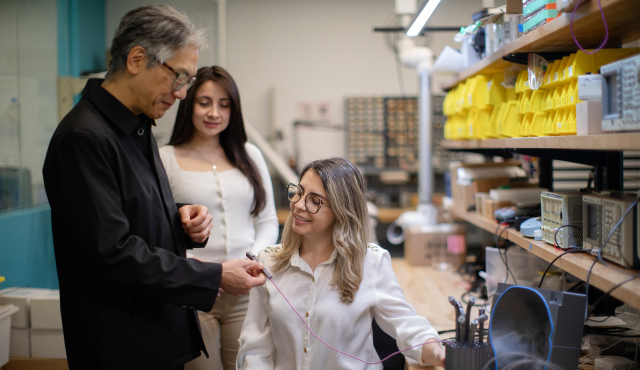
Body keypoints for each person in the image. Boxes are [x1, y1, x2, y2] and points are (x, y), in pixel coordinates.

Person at [42, 5, 265, 370]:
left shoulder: (137, 127)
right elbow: (112, 252)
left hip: (157, 329)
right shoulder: (84, 138)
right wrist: (214, 275)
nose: (181, 94)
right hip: (120, 343)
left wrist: (182, 219)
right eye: (178, 77)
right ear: (136, 59)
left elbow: (129, 211)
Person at [236, 158, 445, 370]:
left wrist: (439, 353)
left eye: (315, 201)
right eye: (298, 192)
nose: (298, 205)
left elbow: (407, 326)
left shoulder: (370, 261)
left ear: (341, 210)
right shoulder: (268, 261)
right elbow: (255, 346)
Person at [159, 66, 279, 370]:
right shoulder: (165, 158)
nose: (214, 113)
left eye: (224, 105)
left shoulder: (249, 154)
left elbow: (266, 221)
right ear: (188, 104)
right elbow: (157, 231)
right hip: (194, 291)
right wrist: (194, 269)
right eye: (204, 102)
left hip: (246, 290)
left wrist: (254, 259)